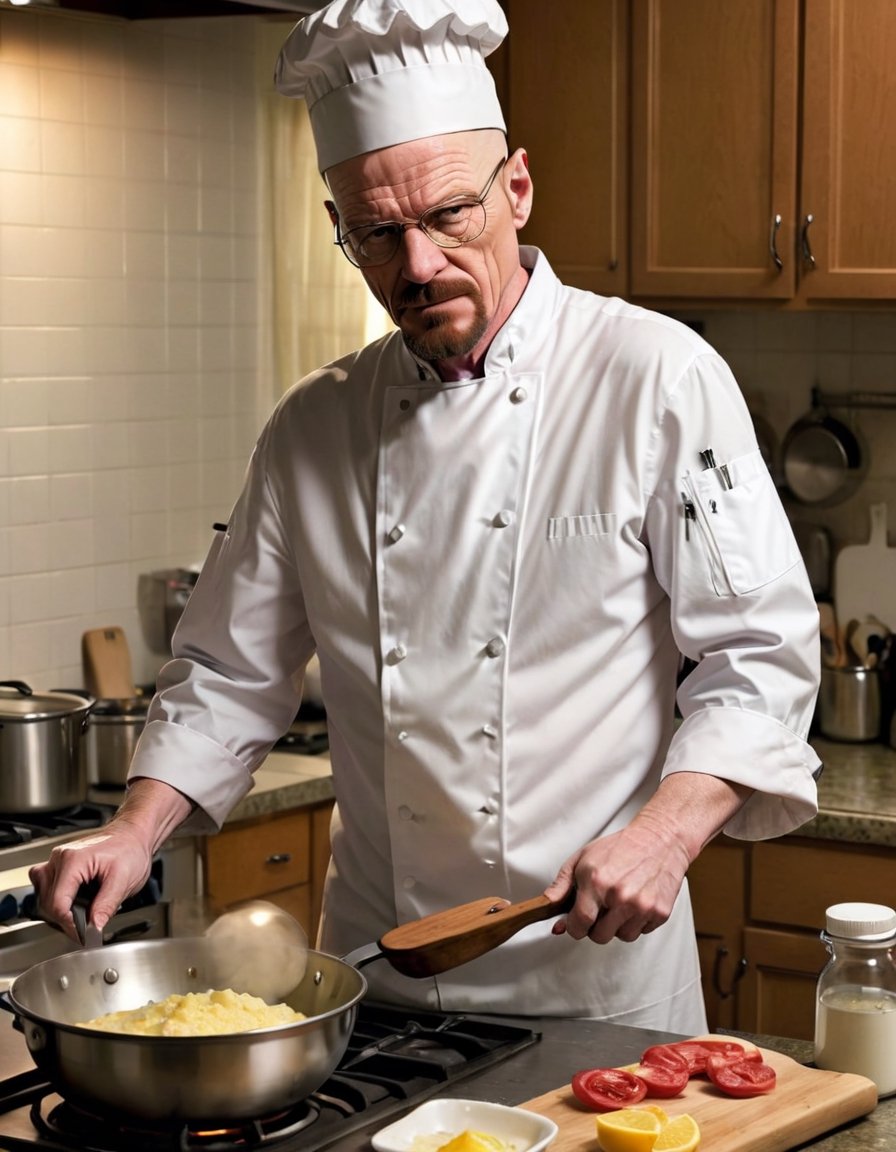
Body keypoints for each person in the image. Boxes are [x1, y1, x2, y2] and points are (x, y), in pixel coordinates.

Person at [31, 0, 821, 1032]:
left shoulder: (655, 378)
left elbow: (757, 657)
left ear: (517, 190)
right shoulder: (312, 426)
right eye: (375, 233)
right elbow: (229, 672)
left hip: (594, 977)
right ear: (339, 230)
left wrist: (664, 836)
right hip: (380, 979)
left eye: (448, 216)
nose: (413, 268)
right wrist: (136, 831)